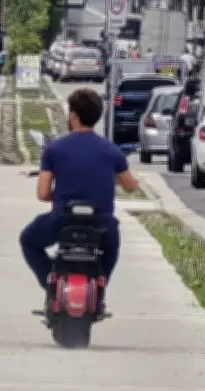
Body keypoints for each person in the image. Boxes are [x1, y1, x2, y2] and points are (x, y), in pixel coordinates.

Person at [19, 89, 139, 312]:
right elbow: (131, 186)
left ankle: (50, 283)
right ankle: (100, 286)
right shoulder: (112, 151)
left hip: (63, 220)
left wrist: (63, 193)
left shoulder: (54, 149)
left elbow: (42, 193)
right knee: (111, 247)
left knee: (28, 239)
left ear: (73, 116)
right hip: (101, 224)